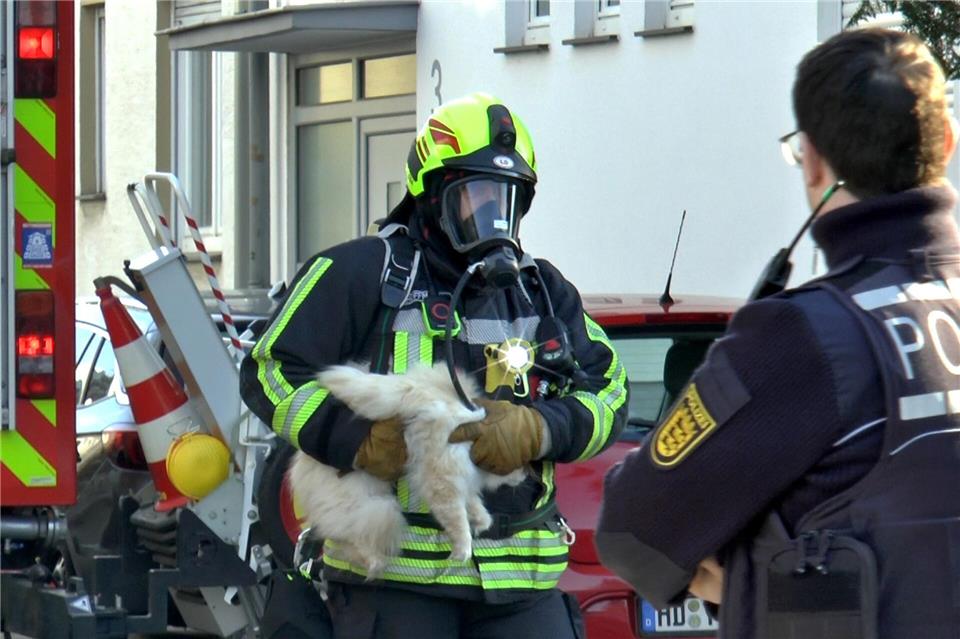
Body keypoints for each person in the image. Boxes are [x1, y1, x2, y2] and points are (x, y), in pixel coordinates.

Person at [596, 27, 960, 639]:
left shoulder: (807, 337)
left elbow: (634, 530)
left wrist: (746, 580)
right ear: (946, 141)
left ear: (813, 161)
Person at [241, 92, 627, 638]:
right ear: (430, 196)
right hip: (395, 584)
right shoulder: (360, 273)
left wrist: (540, 428)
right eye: (475, 195)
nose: (493, 215)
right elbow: (268, 370)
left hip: (522, 588)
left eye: (507, 198)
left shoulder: (541, 292)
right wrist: (355, 438)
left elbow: (609, 391)